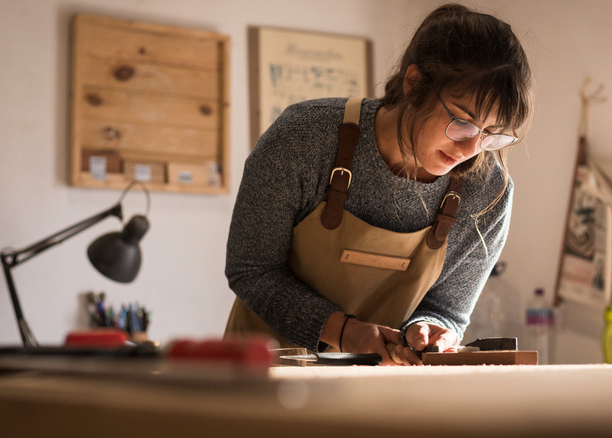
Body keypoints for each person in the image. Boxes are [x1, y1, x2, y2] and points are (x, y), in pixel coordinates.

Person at [224, 3, 532, 365]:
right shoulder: (304, 138)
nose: (471, 149)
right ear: (414, 82)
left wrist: (431, 330)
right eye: (462, 121)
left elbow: (447, 309)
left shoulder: (487, 192)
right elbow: (252, 269)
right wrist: (343, 331)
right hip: (262, 376)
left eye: (492, 135)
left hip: (378, 389)